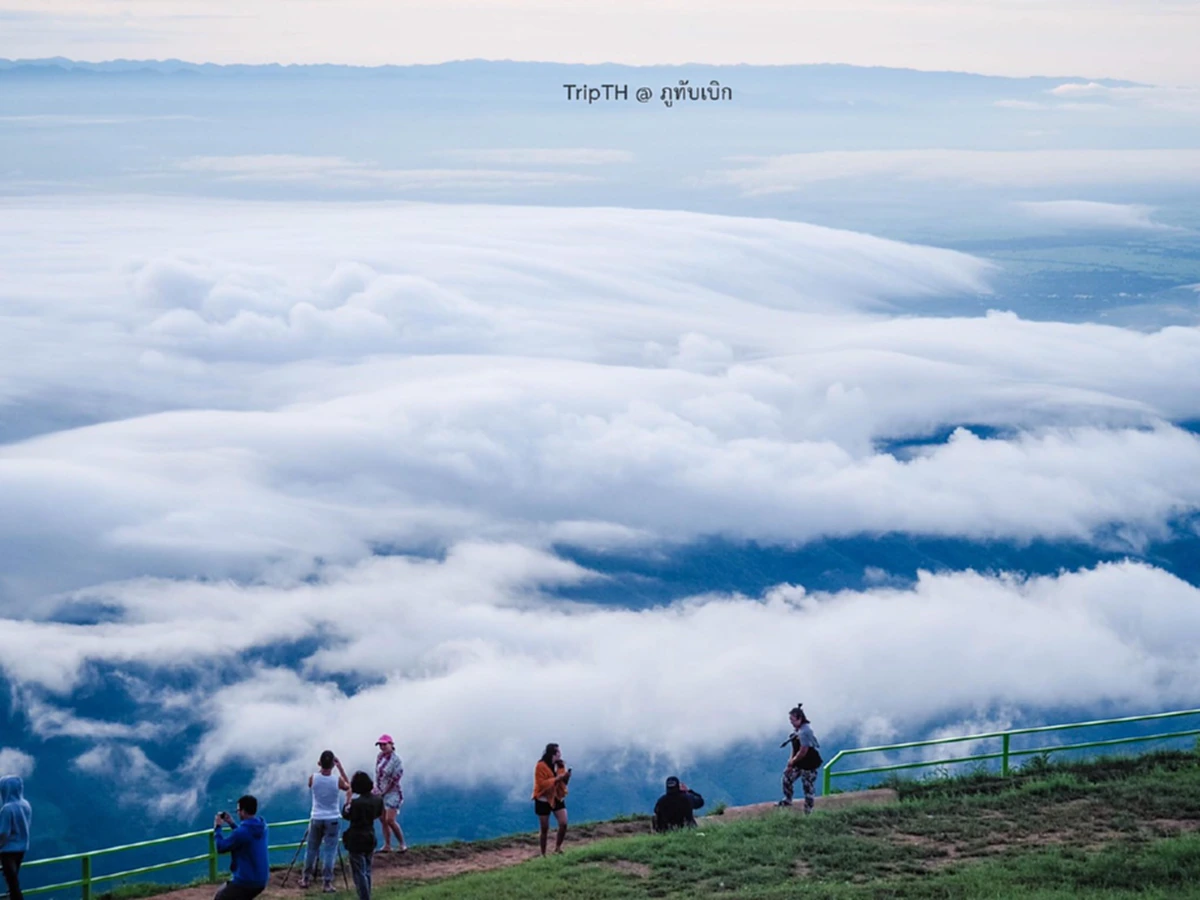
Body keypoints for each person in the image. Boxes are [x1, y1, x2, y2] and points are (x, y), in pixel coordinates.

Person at [301, 750, 350, 890]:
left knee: (311, 849)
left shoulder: (313, 778)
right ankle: (327, 882)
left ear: (320, 763)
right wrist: (340, 767)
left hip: (316, 817)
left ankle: (305, 879)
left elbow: (313, 784)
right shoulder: (336, 780)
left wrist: (322, 766)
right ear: (332, 765)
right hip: (333, 818)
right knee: (330, 850)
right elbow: (348, 786)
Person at [212, 795, 269, 900]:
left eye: (237, 810)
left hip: (246, 881)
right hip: (261, 879)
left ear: (243, 811)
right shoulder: (263, 826)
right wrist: (232, 824)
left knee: (220, 897)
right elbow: (246, 837)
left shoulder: (242, 832)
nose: (237, 812)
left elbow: (221, 847)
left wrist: (218, 828)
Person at [342, 771, 384, 900]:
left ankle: (364, 897)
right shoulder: (378, 800)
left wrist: (348, 800)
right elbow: (378, 814)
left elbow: (346, 815)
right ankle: (367, 895)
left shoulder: (355, 803)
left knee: (358, 871)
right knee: (367, 870)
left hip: (356, 839)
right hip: (370, 836)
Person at [778, 702, 823, 814]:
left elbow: (803, 750)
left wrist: (792, 761)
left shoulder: (805, 731)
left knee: (808, 786)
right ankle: (788, 800)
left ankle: (808, 810)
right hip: (799, 761)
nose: (791, 722)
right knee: (787, 778)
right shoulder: (797, 730)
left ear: (799, 719)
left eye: (792, 719)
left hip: (809, 763)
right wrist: (790, 761)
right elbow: (795, 747)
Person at [531, 743, 570, 856]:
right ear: (553, 753)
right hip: (543, 799)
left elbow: (564, 783)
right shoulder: (540, 766)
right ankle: (543, 853)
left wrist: (566, 778)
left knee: (563, 823)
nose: (560, 754)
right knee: (544, 828)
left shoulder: (560, 765)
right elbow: (542, 784)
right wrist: (557, 779)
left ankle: (558, 847)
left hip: (557, 795)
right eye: (558, 752)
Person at [372, 735, 407, 852]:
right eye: (380, 745)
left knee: (390, 819)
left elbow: (395, 779)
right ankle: (387, 845)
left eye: (384, 744)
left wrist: (384, 791)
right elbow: (377, 774)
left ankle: (402, 843)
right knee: (382, 819)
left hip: (393, 792)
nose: (382, 747)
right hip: (380, 790)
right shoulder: (380, 757)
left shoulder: (396, 761)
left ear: (391, 744)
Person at [0, 775, 32, 900]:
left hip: (8, 851)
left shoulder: (7, 809)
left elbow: (3, 833)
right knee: (13, 880)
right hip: (22, 848)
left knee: (12, 884)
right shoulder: (26, 805)